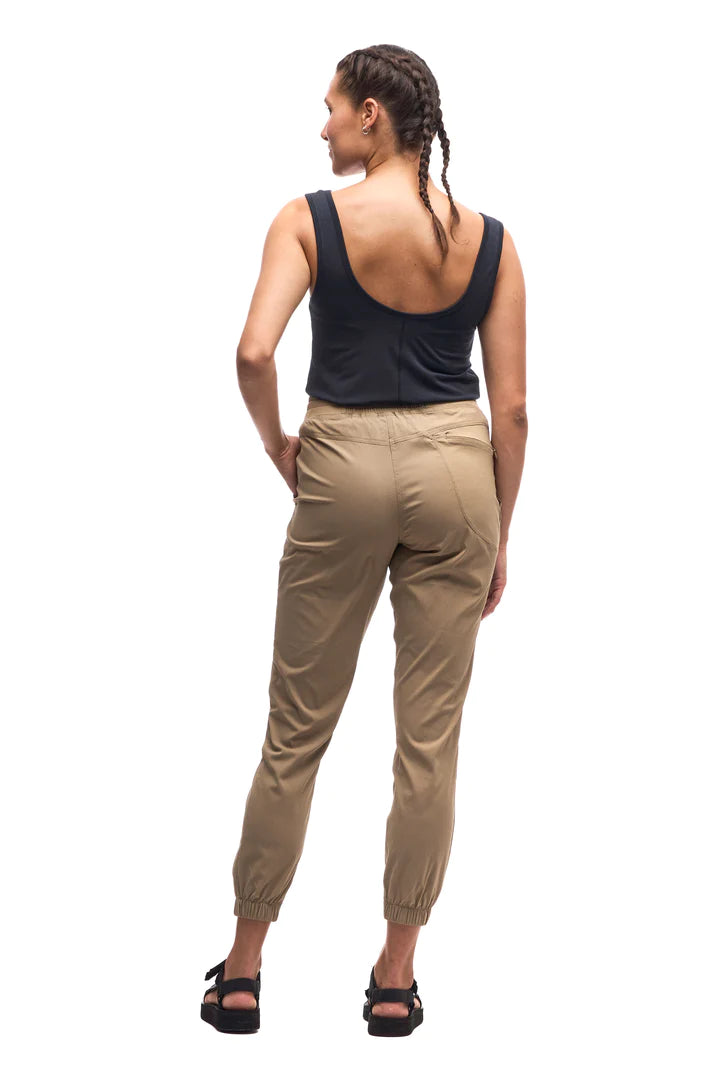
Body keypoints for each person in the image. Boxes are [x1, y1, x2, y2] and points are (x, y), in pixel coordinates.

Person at [201, 43, 527, 1037]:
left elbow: (254, 351)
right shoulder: (491, 240)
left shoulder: (308, 220)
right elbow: (514, 411)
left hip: (340, 460)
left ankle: (244, 970)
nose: (325, 126)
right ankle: (395, 977)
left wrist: (278, 446)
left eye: (333, 107)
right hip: (457, 471)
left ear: (374, 113)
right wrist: (500, 532)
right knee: (429, 745)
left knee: (296, 730)